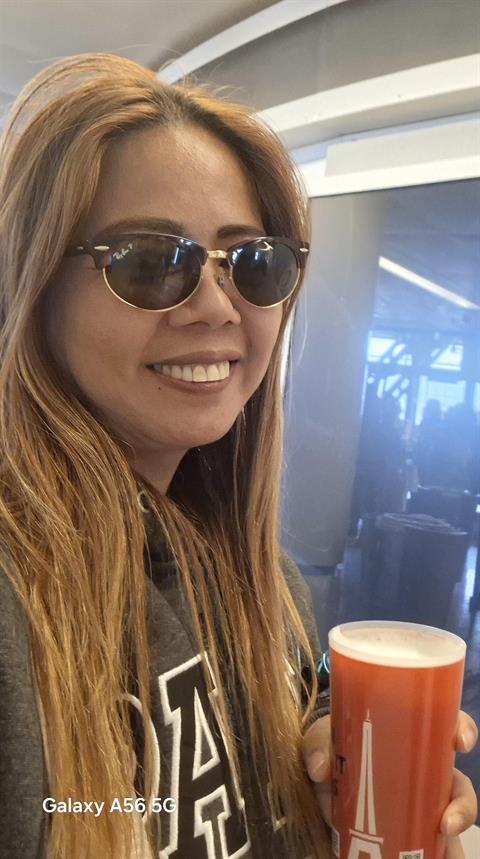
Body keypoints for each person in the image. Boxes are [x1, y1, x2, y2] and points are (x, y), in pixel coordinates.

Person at [0, 53, 477, 859]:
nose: (218, 306)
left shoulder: (269, 584)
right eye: (151, 259)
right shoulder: (17, 603)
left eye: (253, 263)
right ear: (34, 283)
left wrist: (318, 750)